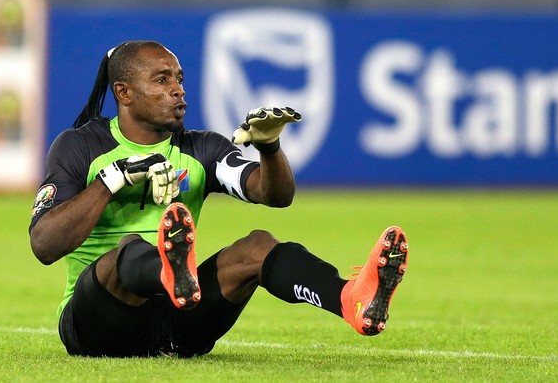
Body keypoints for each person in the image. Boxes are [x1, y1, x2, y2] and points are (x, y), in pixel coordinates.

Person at [28, 40, 409, 358]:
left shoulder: (202, 149)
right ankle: (168, 270)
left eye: (179, 79)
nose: (178, 90)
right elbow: (45, 244)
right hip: (96, 324)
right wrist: (111, 181)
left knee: (258, 245)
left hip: (179, 323)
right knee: (129, 246)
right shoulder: (80, 146)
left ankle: (350, 298)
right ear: (124, 93)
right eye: (162, 80)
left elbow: (272, 194)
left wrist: (270, 148)